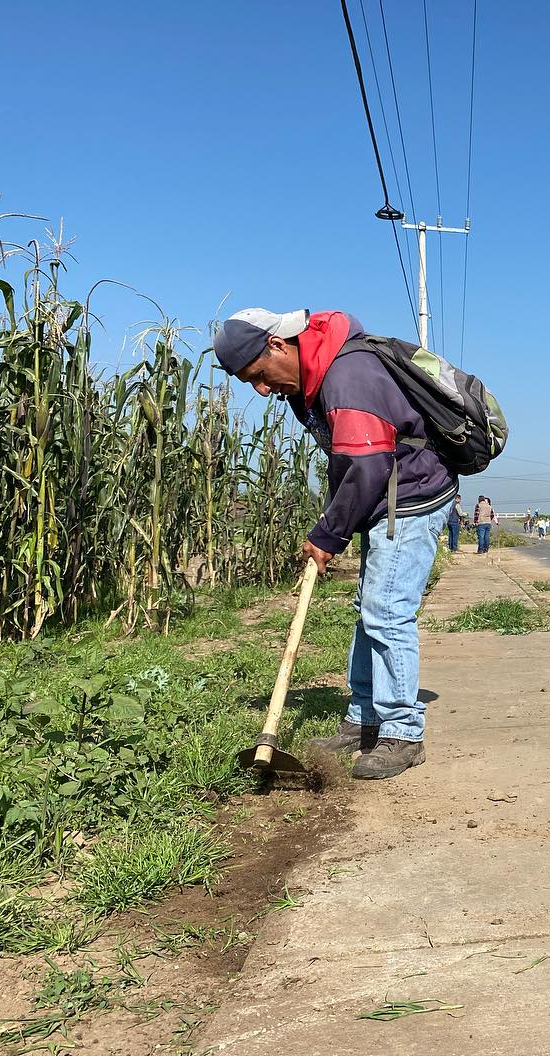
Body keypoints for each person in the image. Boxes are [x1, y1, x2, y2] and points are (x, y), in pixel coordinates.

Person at [212, 308, 456, 781]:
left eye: (260, 375)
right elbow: (349, 462)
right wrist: (333, 522)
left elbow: (366, 467)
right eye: (250, 384)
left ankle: (402, 732)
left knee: (387, 611)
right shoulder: (314, 377)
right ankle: (365, 716)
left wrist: (328, 534)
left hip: (411, 495)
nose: (262, 390)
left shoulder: (348, 375)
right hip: (385, 498)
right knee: (371, 608)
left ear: (278, 346)